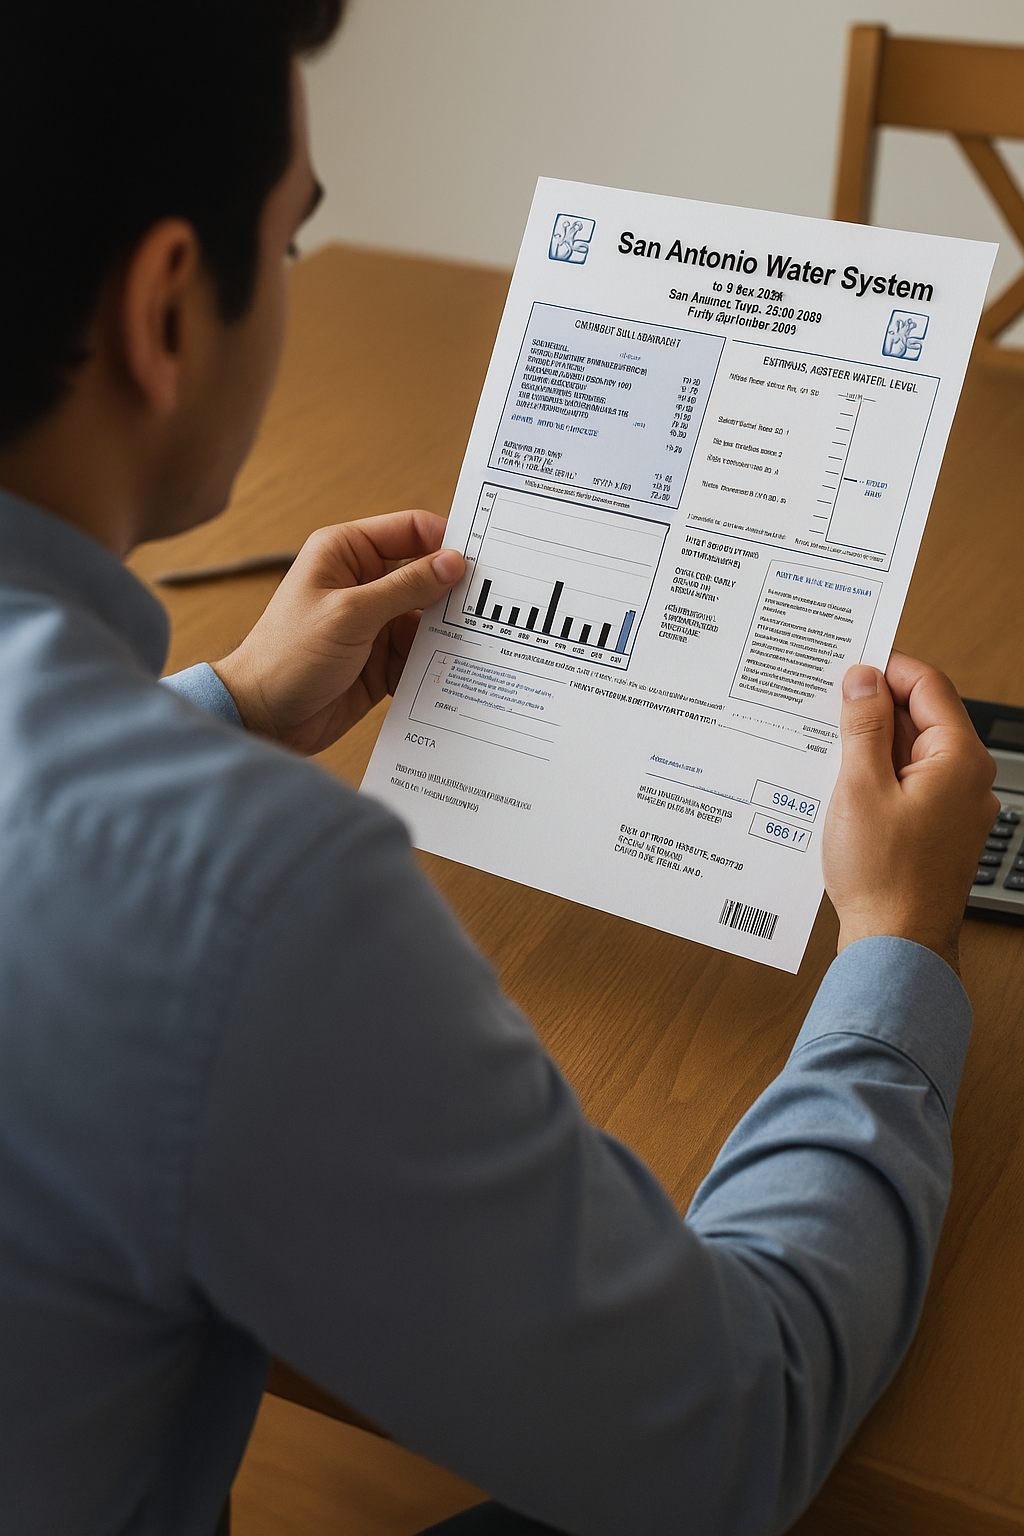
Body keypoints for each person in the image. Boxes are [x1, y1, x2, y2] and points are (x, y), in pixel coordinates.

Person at [0, 4, 998, 1535]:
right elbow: (728, 1430)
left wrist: (229, 706)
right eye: (293, 244)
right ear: (167, 306)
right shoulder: (244, 902)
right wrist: (894, 954)